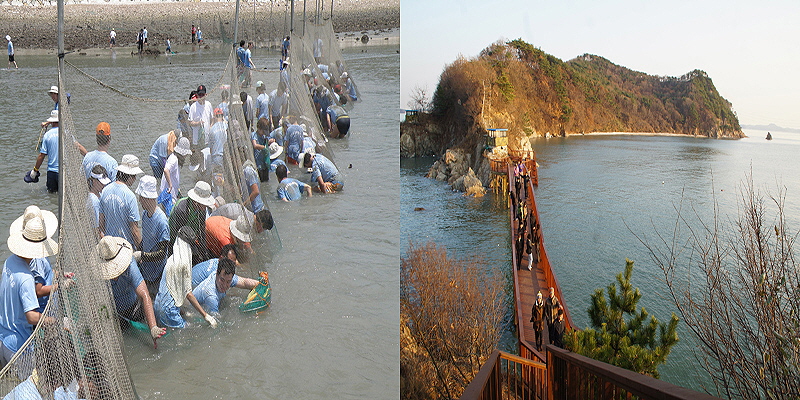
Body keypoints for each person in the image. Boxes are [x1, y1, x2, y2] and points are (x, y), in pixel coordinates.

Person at [0, 214, 58, 365]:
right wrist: (55, 321)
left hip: (4, 337)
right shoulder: (26, 277)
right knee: (28, 386)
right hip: (19, 347)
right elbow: (31, 317)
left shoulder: (9, 262)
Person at [97, 235, 165, 344]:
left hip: (134, 307)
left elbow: (144, 295)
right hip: (115, 313)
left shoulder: (129, 264)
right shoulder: (97, 272)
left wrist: (153, 327)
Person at [154, 226, 218, 329]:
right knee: (192, 330)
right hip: (169, 310)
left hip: (158, 306)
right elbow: (188, 294)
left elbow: (172, 290)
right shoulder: (183, 264)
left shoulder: (171, 259)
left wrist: (182, 312)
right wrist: (205, 315)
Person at [8, 206, 59, 314]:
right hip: (44, 310)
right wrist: (58, 286)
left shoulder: (13, 261)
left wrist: (56, 274)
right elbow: (38, 291)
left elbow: (43, 275)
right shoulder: (37, 259)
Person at [134, 176, 170, 292]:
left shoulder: (161, 221)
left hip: (158, 274)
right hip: (146, 271)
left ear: (148, 198)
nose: (139, 200)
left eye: (142, 197)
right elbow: (146, 239)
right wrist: (139, 251)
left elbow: (162, 253)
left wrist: (142, 256)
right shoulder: (144, 215)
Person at [99, 154, 143, 247]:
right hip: (125, 247)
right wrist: (141, 250)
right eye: (134, 176)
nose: (135, 179)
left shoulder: (105, 191)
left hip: (110, 246)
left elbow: (101, 223)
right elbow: (135, 230)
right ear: (130, 176)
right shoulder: (130, 196)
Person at [168, 180, 216, 263]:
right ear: (196, 202)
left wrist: (205, 256)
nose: (205, 207)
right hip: (175, 242)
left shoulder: (201, 209)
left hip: (191, 237)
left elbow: (201, 234)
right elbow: (179, 238)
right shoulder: (182, 209)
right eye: (204, 204)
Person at [193, 258, 258, 316]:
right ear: (216, 274)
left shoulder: (226, 276)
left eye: (228, 282)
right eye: (222, 280)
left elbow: (244, 282)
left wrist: (260, 284)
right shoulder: (211, 296)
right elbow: (215, 321)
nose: (224, 285)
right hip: (191, 310)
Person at [27, 110, 59, 192]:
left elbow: (42, 155)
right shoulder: (65, 133)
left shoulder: (47, 135)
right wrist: (87, 154)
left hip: (51, 172)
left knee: (52, 194)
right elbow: (77, 145)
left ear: (51, 122)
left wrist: (35, 170)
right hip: (63, 172)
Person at [161, 136, 192, 204]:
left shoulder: (174, 157)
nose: (186, 156)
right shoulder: (174, 159)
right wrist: (170, 185)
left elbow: (174, 176)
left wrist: (177, 191)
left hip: (168, 194)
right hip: (169, 196)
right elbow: (166, 170)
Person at [87, 164, 111, 239]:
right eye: (101, 183)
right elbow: (96, 230)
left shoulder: (99, 194)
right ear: (94, 181)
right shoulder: (94, 202)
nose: (104, 185)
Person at [188, 84, 212, 152]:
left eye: (202, 95)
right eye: (199, 95)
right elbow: (190, 122)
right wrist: (197, 123)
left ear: (206, 95)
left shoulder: (208, 104)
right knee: (198, 157)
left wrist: (210, 127)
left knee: (207, 156)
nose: (201, 96)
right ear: (197, 95)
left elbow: (212, 119)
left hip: (207, 139)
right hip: (197, 139)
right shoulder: (193, 106)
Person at [251, 117, 272, 182]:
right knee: (261, 180)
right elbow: (255, 145)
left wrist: (270, 142)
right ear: (259, 128)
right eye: (263, 131)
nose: (263, 133)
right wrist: (263, 147)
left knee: (266, 181)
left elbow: (266, 143)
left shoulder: (264, 136)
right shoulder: (254, 135)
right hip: (258, 163)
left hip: (265, 163)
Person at [208, 107, 227, 173]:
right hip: (226, 156)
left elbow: (210, 148)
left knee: (218, 178)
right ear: (222, 116)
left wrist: (212, 122)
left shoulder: (212, 129)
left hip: (216, 157)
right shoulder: (226, 126)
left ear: (215, 117)